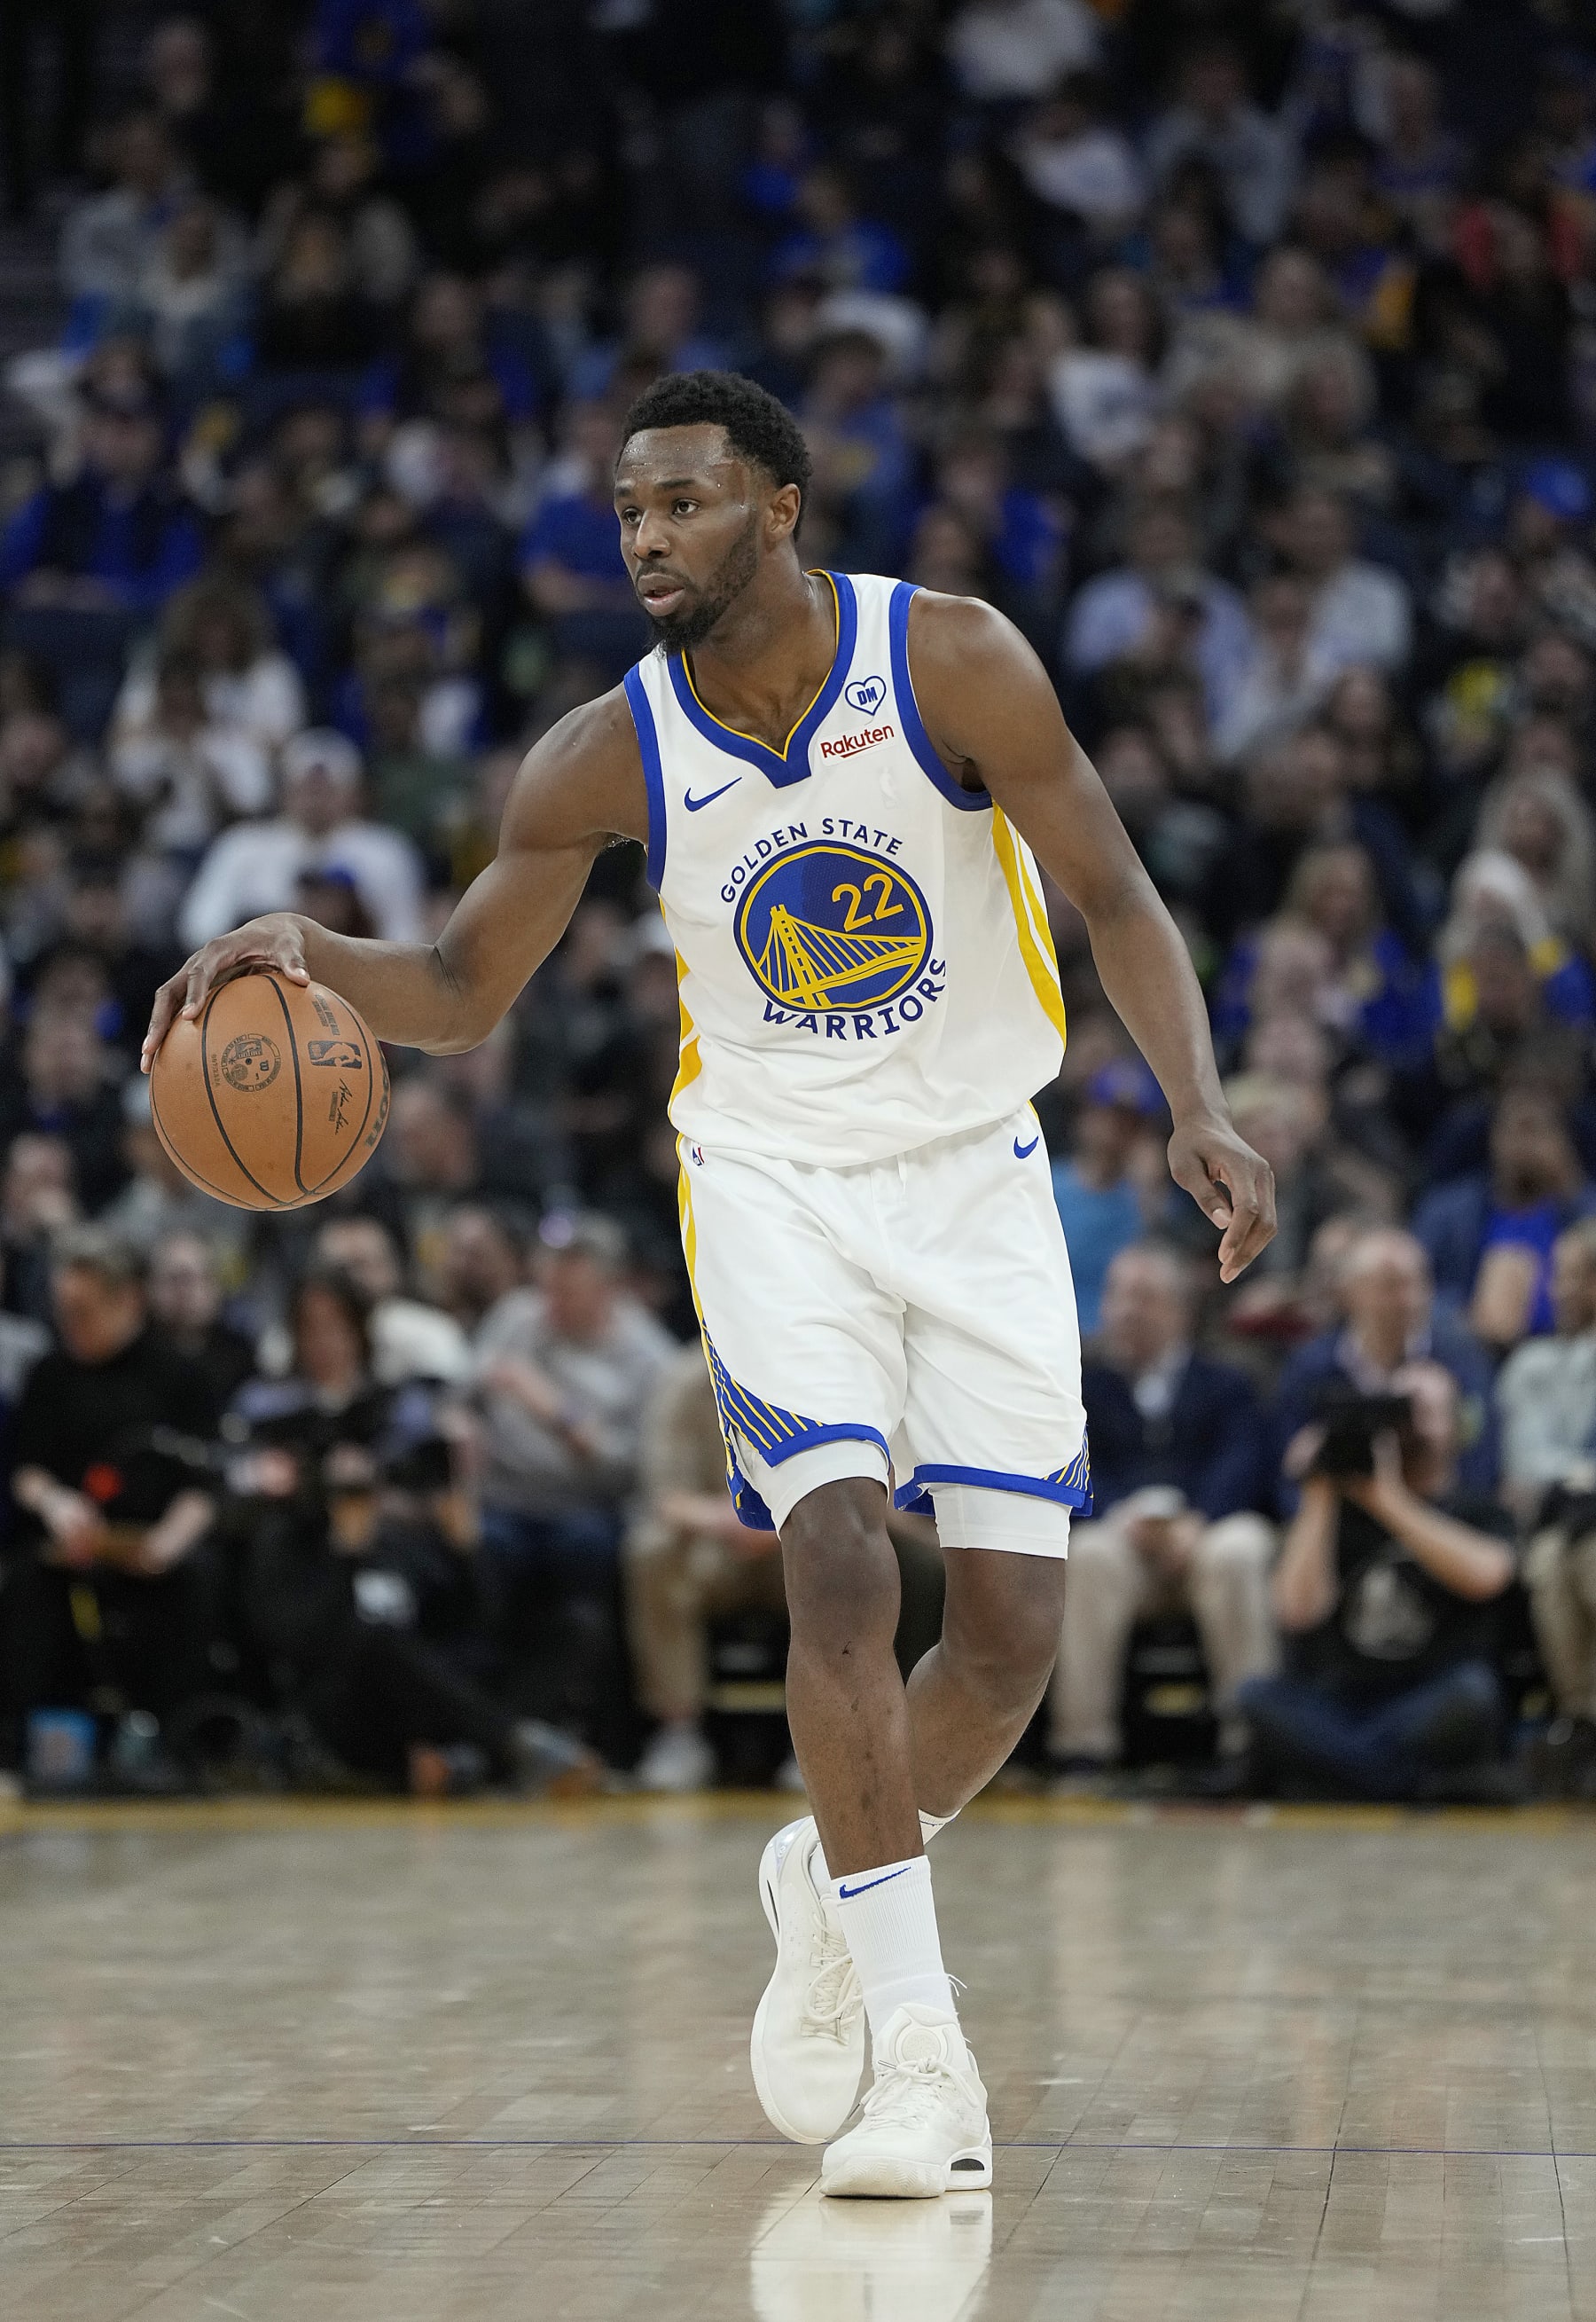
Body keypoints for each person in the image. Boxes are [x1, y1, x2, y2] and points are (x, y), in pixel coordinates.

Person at [145, 368, 1274, 2200]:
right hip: (768, 1177)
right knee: (831, 1547)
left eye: (685, 501)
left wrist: (1201, 1105)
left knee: (1004, 1644)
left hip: (980, 1168)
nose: (650, 535)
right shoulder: (603, 752)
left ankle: (826, 1873)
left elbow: (1122, 899)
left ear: (780, 506)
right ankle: (922, 2058)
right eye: (630, 510)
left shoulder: (955, 663)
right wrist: (314, 954)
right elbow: (454, 982)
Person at [0, 1228, 221, 1778]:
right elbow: (27, 1471)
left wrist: (170, 1541)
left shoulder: (180, 1374)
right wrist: (55, 1503)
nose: (71, 1324)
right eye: (63, 1311)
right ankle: (17, 1749)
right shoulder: (50, 1375)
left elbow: (205, 1482)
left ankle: (177, 1749)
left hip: (156, 1546)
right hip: (72, 1548)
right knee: (26, 1585)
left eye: (84, 1311)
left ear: (128, 1300)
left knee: (198, 1582)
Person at [1239, 1362, 1514, 1801]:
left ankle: (1340, 1777)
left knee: (1473, 1695)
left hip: (1428, 1698)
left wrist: (1389, 1501)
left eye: (1424, 1411)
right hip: (1342, 1702)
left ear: (1457, 1426)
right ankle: (1405, 1783)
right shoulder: (1335, 1515)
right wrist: (1319, 1494)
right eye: (1397, 1411)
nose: (1409, 1427)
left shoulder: (1478, 1512)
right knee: (1255, 1697)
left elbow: (1488, 1577)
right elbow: (1296, 1612)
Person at [1048, 1243, 1277, 1770]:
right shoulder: (1081, 1383)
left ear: (1180, 1310)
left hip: (1204, 1539)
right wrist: (1122, 1518)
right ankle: (1083, 1749)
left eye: (1144, 1297)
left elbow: (1245, 1460)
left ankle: (1252, 1742)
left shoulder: (1228, 1381)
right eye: (1118, 1296)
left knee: (1240, 1550)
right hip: (1124, 1542)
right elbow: (1071, 1464)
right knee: (1086, 1556)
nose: (1127, 1310)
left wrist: (1199, 1522)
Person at [178, 728, 425, 948]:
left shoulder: (387, 851)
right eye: (306, 788)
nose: (315, 800)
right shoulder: (243, 844)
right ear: (285, 791)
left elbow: (407, 940)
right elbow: (200, 929)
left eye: (327, 790)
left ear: (356, 794)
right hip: (257, 980)